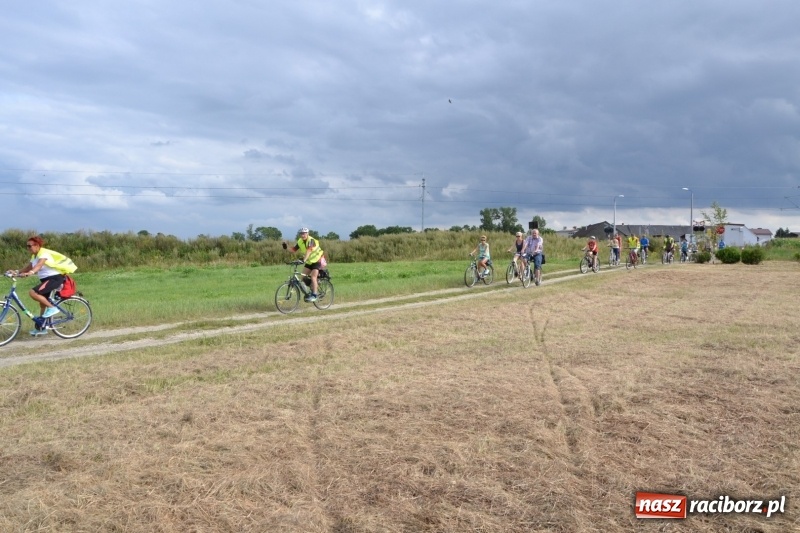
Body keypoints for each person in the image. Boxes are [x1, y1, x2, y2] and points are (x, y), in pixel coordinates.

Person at [6, 236, 76, 336]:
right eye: (27, 246)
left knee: (33, 292)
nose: (28, 248)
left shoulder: (43, 253)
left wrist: (31, 272)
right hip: (46, 280)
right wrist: (16, 272)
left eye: (30, 246)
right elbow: (28, 267)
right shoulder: (34, 256)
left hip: (54, 278)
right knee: (42, 303)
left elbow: (38, 265)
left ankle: (52, 308)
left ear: (37, 245)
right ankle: (41, 328)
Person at [282, 228, 325, 302]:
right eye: (301, 233)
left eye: (304, 233)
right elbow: (293, 250)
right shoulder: (300, 241)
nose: (303, 235)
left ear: (308, 233)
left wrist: (304, 260)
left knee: (313, 277)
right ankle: (312, 288)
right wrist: (286, 248)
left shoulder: (311, 240)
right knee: (302, 278)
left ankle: (314, 295)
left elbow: (309, 250)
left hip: (317, 260)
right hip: (309, 261)